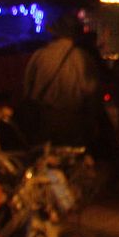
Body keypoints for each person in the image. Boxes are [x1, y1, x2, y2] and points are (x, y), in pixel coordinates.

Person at [19, 16, 100, 147]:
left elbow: (27, 88)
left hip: (43, 119)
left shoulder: (40, 55)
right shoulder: (82, 58)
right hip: (72, 121)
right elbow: (91, 92)